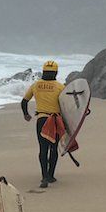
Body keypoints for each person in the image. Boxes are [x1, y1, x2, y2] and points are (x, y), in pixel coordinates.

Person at [21, 60, 65, 188]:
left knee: (43, 148)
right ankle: (51, 176)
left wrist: (26, 114)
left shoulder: (36, 85)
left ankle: (44, 176)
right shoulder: (60, 87)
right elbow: (66, 106)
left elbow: (24, 102)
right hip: (55, 121)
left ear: (44, 71)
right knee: (53, 148)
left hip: (41, 120)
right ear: (56, 72)